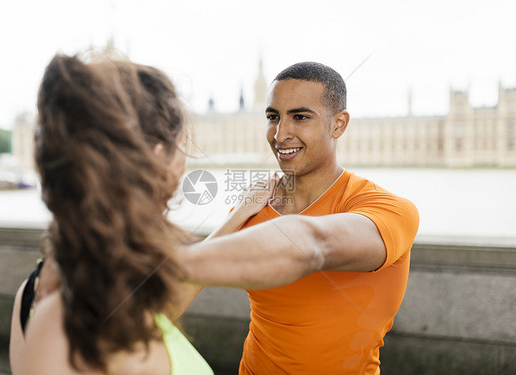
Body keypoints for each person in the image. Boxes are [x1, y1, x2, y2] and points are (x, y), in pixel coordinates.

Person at [179, 62, 420, 374]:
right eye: (273, 117)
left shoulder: (389, 209)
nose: (280, 134)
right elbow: (170, 301)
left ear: (339, 124)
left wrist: (171, 261)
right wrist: (236, 216)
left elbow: (312, 246)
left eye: (300, 117)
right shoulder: (253, 207)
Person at [10, 53, 230, 375]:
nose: (186, 160)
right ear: (156, 159)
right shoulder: (76, 322)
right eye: (181, 145)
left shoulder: (35, 293)